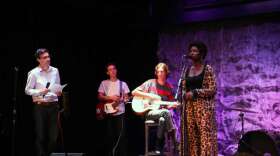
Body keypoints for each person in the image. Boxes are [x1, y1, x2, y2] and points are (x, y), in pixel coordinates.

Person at [180, 41, 218, 156]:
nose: (192, 53)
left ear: (201, 54)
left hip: (203, 108)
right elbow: (183, 88)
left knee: (205, 137)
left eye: (195, 51)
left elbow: (213, 89)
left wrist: (196, 92)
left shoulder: (208, 69)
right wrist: (184, 94)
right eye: (191, 51)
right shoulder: (186, 70)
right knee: (192, 137)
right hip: (190, 107)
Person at [132, 62, 178, 155]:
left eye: (162, 72)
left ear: (166, 73)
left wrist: (172, 105)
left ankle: (158, 145)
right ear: (156, 73)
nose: (160, 74)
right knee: (165, 113)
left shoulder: (168, 87)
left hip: (161, 113)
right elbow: (134, 92)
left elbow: (168, 105)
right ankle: (173, 140)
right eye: (158, 72)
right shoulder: (150, 83)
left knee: (163, 118)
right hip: (149, 112)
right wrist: (150, 95)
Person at [25, 48, 62, 156]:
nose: (48, 59)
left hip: (54, 105)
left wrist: (59, 91)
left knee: (54, 137)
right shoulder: (33, 73)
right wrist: (40, 91)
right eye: (45, 57)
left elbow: (58, 85)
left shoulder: (55, 70)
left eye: (48, 56)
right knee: (40, 136)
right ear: (38, 59)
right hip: (40, 106)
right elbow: (27, 90)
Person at [98, 63, 130, 156]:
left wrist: (126, 99)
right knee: (110, 137)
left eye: (114, 69)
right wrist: (111, 97)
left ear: (116, 70)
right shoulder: (104, 83)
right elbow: (99, 96)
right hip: (108, 113)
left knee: (122, 137)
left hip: (120, 113)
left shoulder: (123, 84)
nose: (113, 71)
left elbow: (126, 97)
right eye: (110, 69)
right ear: (107, 72)